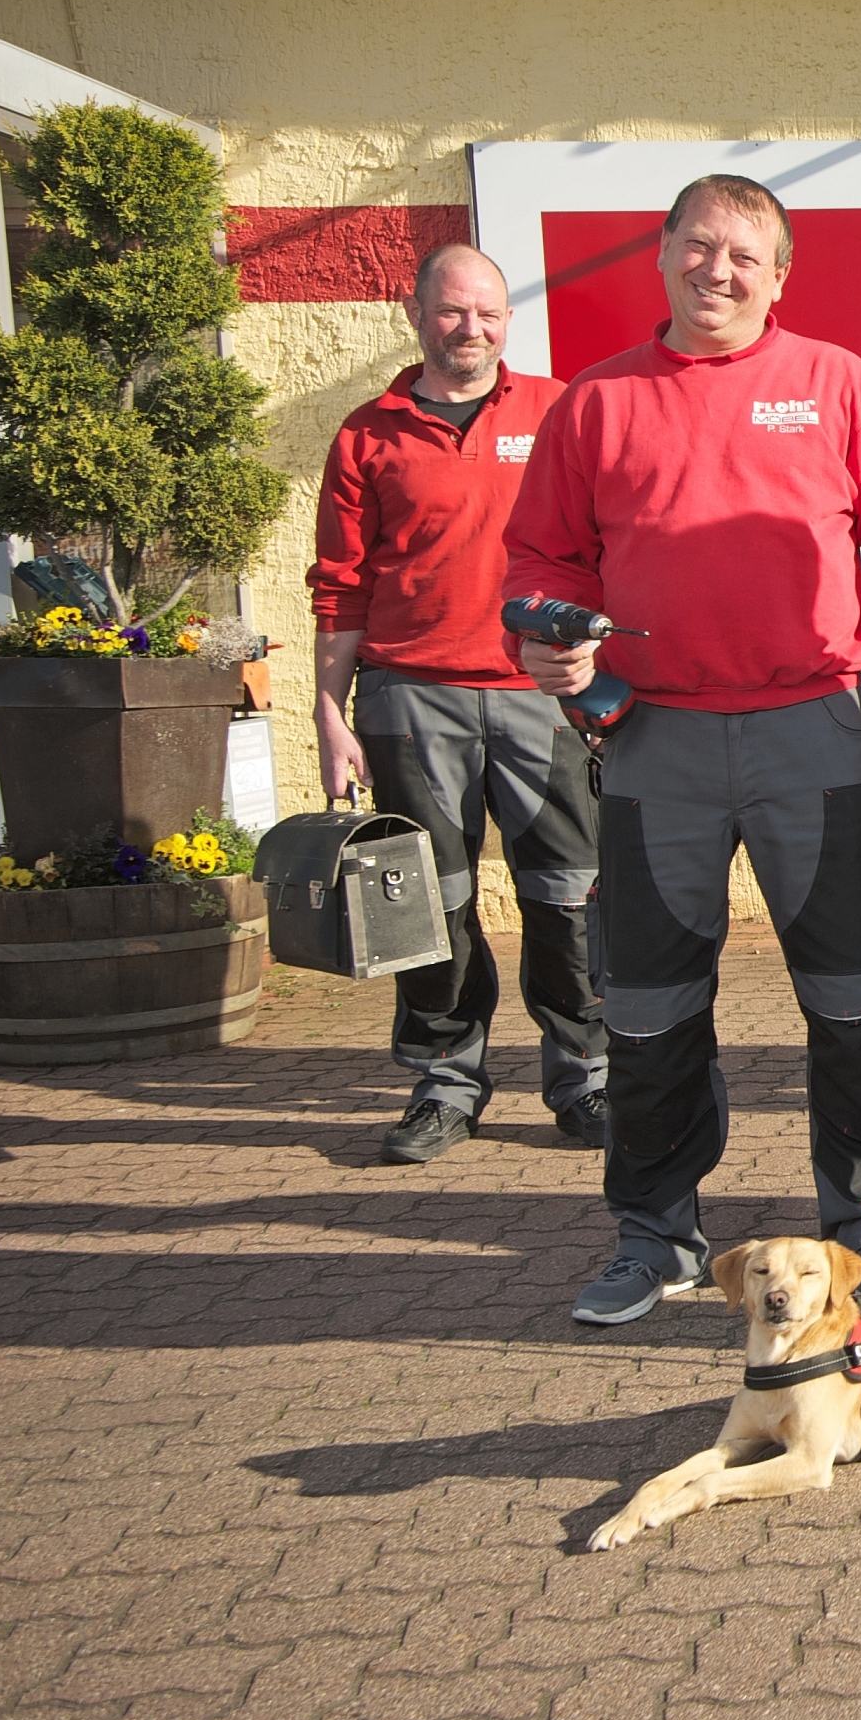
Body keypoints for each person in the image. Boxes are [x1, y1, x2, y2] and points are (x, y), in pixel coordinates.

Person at [503, 174, 861, 1328]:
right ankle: (655, 1234)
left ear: (779, 273)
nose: (719, 270)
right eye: (699, 247)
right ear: (661, 255)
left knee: (857, 999)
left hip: (814, 734)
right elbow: (541, 565)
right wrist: (549, 642)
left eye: (744, 254)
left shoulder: (837, 385)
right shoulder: (596, 405)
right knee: (648, 1009)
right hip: (654, 744)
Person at [307, 241, 606, 1165]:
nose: (468, 329)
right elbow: (340, 588)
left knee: (570, 895)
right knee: (425, 905)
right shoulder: (367, 432)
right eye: (449, 311)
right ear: (415, 315)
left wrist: (594, 651)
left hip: (540, 698)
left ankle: (586, 1080)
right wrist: (327, 712)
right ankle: (445, 1084)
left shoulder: (557, 411)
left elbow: (606, 543)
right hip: (409, 697)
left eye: (486, 312)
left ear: (506, 319)